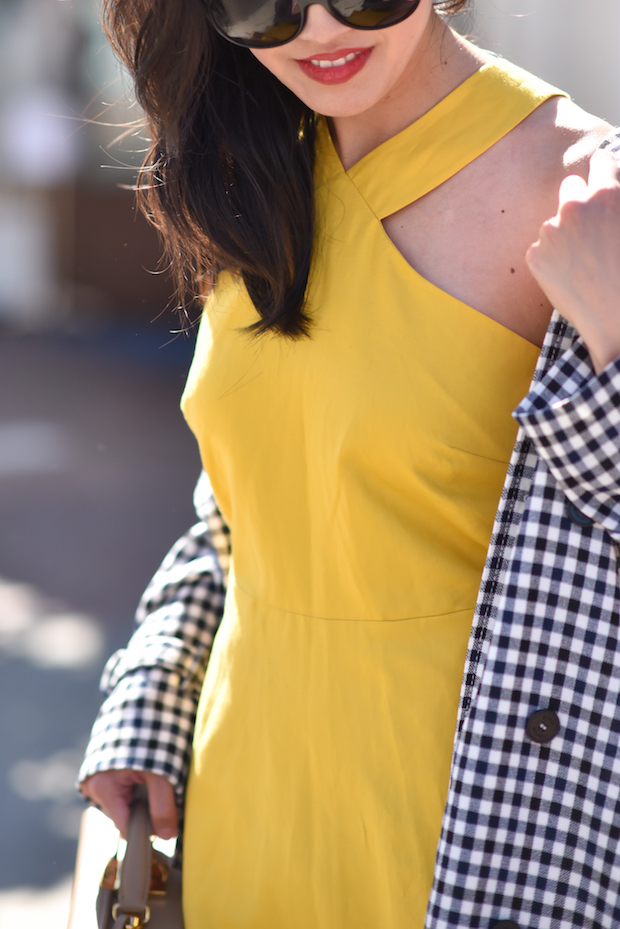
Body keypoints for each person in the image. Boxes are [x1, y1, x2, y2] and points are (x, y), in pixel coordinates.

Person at [78, 0, 620, 925]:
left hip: (475, 834)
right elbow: (251, 504)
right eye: (264, 3)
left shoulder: (586, 197)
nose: (320, 30)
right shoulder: (256, 161)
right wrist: (154, 691)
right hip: (244, 808)